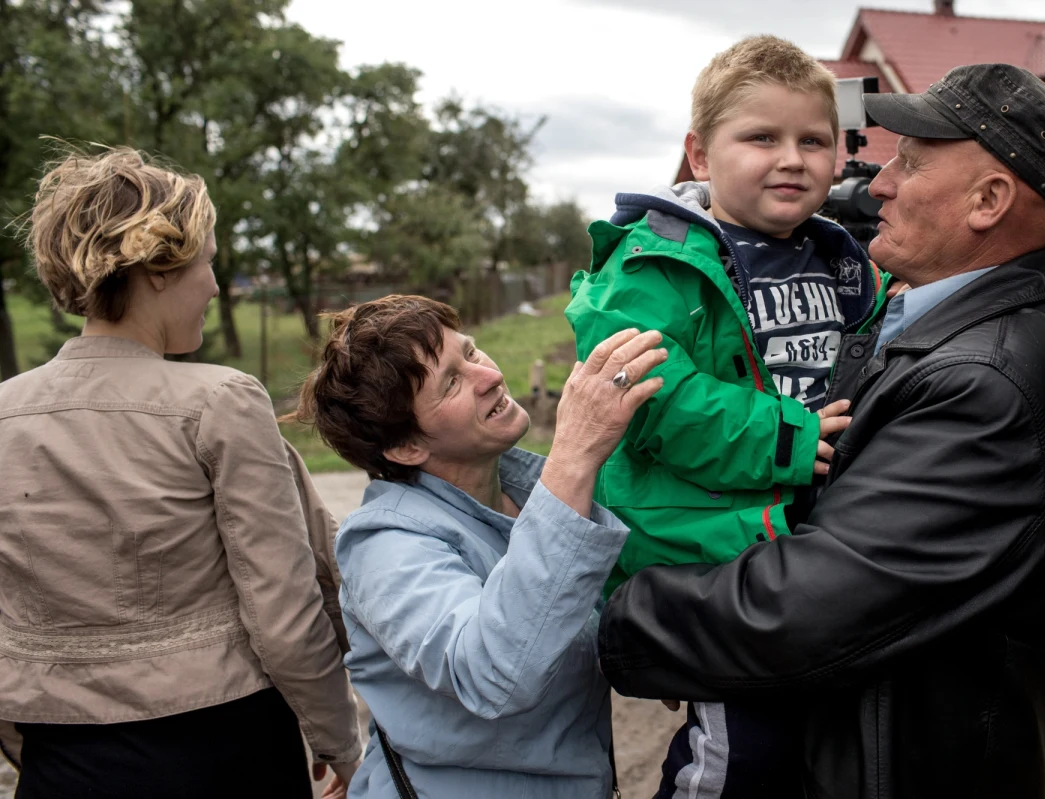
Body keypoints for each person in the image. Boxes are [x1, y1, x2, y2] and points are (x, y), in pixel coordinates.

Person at [597, 64, 1045, 799]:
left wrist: (622, 616)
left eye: (912, 161)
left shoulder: (988, 379)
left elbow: (802, 609)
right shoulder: (945, 321)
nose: (879, 183)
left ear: (988, 201)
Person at [0, 148, 360, 799]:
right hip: (220, 749)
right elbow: (283, 611)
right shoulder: (217, 401)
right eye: (209, 261)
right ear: (160, 269)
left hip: (61, 756)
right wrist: (339, 737)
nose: (217, 285)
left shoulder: (5, 414)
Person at [288, 294, 666, 799]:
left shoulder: (529, 495)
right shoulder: (383, 544)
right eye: (450, 382)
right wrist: (574, 453)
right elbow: (493, 670)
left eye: (471, 352)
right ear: (407, 448)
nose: (488, 375)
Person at [567, 35, 877, 593]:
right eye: (762, 137)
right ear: (701, 154)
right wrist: (790, 441)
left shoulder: (844, 259)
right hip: (701, 550)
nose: (792, 159)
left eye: (813, 140)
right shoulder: (648, 264)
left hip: (818, 518)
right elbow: (656, 399)